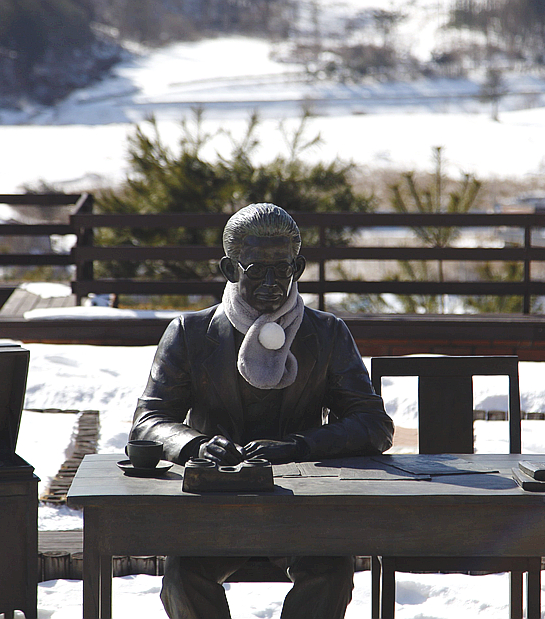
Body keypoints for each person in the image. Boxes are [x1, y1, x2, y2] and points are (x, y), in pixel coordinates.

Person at [131, 202, 394, 619]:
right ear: (230, 269)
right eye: (256, 269)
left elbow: (373, 424)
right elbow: (148, 424)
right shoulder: (190, 333)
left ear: (299, 268)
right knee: (182, 578)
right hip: (215, 505)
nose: (272, 283)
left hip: (303, 506)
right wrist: (196, 445)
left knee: (332, 571)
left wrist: (299, 445)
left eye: (283, 268)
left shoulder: (326, 333)